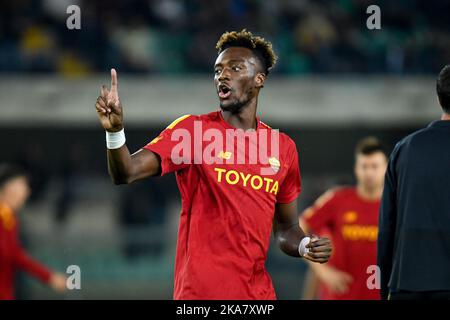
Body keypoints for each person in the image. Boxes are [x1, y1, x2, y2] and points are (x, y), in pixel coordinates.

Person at [94, 29, 332, 299]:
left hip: (257, 298)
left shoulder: (282, 148)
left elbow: (286, 229)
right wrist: (114, 132)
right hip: (199, 297)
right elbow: (125, 172)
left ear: (259, 79)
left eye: (235, 67)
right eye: (218, 70)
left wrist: (303, 245)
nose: (223, 75)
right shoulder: (193, 132)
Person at [378, 65, 450, 300]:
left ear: (439, 99)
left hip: (406, 285)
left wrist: (383, 288)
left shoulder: (404, 149)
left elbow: (386, 226)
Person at [300, 137, 387, 299]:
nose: (369, 172)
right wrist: (323, 271)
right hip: (339, 295)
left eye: (374, 166)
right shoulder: (337, 200)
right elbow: (299, 227)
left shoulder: (395, 205)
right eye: (364, 166)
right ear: (356, 168)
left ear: (386, 168)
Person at [0, 164, 66, 300]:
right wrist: (48, 276)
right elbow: (12, 253)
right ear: (8, 187)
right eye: (22, 185)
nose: (27, 191)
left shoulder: (9, 219)